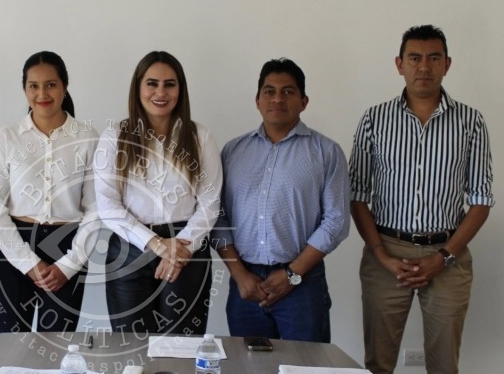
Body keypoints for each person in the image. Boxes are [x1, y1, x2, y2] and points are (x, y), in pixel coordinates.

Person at [349, 25, 494, 374]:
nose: (424, 67)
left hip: (448, 254)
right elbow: (357, 194)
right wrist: (381, 254)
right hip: (385, 253)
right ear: (400, 64)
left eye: (434, 58)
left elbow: (481, 200)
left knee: (444, 365)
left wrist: (443, 257)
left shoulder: (471, 122)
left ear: (447, 64)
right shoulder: (374, 119)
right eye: (414, 58)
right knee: (377, 364)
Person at [211, 58, 350, 343]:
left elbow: (336, 221)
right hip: (246, 284)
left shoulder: (326, 152)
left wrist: (292, 274)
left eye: (288, 91)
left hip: (303, 283)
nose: (277, 99)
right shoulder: (233, 151)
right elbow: (218, 216)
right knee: (247, 363)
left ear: (304, 101)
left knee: (305, 363)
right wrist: (238, 274)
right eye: (269, 91)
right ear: (257, 100)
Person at [94, 51, 222, 335]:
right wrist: (157, 244)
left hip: (187, 249)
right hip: (129, 249)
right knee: (131, 345)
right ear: (138, 88)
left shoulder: (200, 136)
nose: (161, 93)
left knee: (181, 347)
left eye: (169, 84)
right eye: (152, 83)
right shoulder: (115, 136)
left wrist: (180, 249)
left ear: (180, 89)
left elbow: (210, 202)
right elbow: (107, 204)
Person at [0, 51, 99, 335]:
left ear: (64, 87)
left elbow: (96, 209)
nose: (42, 94)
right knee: (10, 346)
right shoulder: (7, 137)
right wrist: (28, 262)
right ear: (24, 89)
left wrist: (68, 266)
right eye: (33, 86)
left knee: (56, 348)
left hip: (68, 247)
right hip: (14, 247)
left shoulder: (88, 137)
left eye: (51, 85)